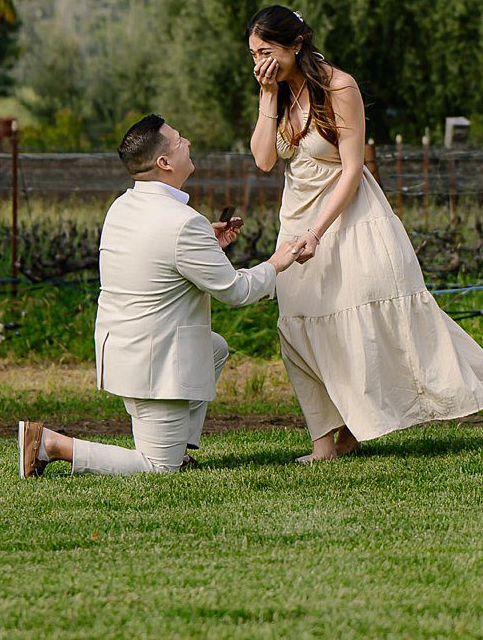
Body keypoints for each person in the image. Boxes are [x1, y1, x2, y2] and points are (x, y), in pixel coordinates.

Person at [247, 5, 483, 462]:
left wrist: (318, 233)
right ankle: (325, 441)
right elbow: (264, 159)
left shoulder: (339, 87)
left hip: (347, 219)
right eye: (253, 55)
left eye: (267, 52)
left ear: (296, 44)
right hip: (296, 220)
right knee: (298, 326)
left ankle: (354, 431)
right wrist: (266, 97)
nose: (259, 62)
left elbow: (352, 169)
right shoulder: (277, 93)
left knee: (356, 323)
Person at [17, 114, 308, 476]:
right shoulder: (183, 223)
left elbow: (156, 257)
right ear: (164, 162)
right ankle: (49, 444)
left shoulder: (123, 206)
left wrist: (207, 244)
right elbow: (236, 291)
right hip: (154, 364)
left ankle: (176, 448)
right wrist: (278, 262)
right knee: (157, 468)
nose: (188, 143)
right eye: (179, 140)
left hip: (122, 349)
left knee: (213, 348)